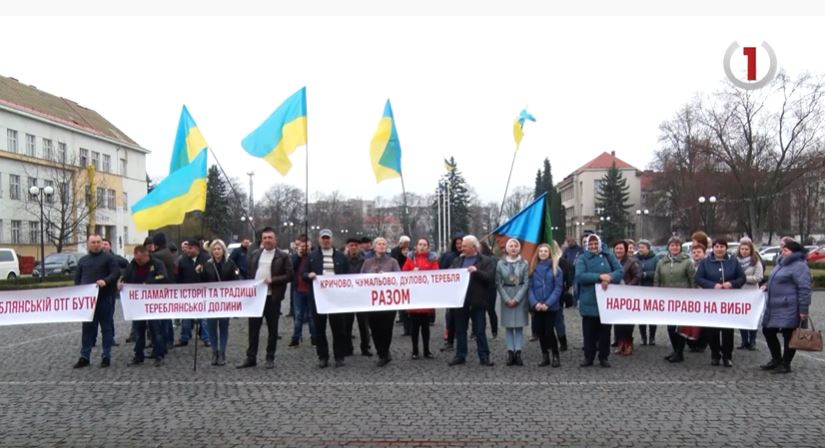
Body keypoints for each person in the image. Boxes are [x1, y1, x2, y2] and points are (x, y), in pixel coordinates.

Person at [238, 227, 294, 369]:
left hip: (272, 297)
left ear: (275, 240)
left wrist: (273, 280)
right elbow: (250, 272)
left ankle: (270, 357)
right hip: (256, 297)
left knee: (272, 329)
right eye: (265, 238)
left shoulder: (283, 256)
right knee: (253, 329)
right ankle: (251, 357)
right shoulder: (255, 254)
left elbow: (290, 275)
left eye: (270, 238)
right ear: (261, 240)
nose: (267, 240)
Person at [760, 240, 812, 374]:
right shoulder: (781, 263)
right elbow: (774, 279)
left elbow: (805, 288)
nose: (783, 251)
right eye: (783, 249)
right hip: (775, 306)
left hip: (790, 306)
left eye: (786, 250)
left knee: (789, 335)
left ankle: (786, 363)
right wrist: (766, 285)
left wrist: (803, 310)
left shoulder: (800, 266)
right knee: (768, 330)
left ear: (794, 252)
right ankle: (776, 359)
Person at [72, 234, 121, 369]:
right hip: (88, 302)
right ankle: (85, 356)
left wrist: (105, 281)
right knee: (87, 330)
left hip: (105, 298)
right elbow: (77, 279)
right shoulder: (83, 260)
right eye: (93, 242)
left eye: (98, 242)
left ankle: (106, 355)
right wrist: (77, 293)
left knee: (106, 328)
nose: (96, 245)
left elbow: (115, 273)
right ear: (88, 244)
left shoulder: (109, 259)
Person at [696, 239, 746, 367]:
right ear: (713, 248)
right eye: (717, 247)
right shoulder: (705, 262)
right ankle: (715, 355)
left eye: (722, 247)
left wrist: (732, 284)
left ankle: (727, 356)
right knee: (713, 329)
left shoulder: (733, 261)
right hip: (711, 301)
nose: (719, 249)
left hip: (728, 301)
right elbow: (699, 278)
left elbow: (742, 278)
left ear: (726, 248)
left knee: (727, 330)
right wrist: (712, 285)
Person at [575, 234, 622, 368]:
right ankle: (588, 357)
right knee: (589, 332)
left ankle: (604, 356)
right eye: (590, 244)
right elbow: (580, 276)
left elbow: (619, 270)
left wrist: (610, 278)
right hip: (589, 299)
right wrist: (600, 277)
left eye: (595, 244)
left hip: (606, 301)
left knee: (605, 332)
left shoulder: (608, 256)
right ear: (587, 245)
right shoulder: (582, 258)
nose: (593, 246)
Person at [448, 235, 496, 367]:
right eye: (461, 245)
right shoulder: (458, 260)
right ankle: (460, 355)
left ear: (473, 247)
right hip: (460, 301)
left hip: (478, 301)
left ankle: (484, 356)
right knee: (460, 330)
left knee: (480, 330)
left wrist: (477, 271)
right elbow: (449, 275)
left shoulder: (486, 261)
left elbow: (490, 278)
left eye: (464, 246)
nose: (461, 247)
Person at [306, 229, 350, 368]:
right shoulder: (312, 256)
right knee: (319, 329)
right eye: (323, 238)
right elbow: (302, 274)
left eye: (328, 238)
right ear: (319, 240)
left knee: (338, 329)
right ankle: (323, 356)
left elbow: (347, 276)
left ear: (331, 240)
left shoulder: (341, 257)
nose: (326, 240)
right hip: (318, 298)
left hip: (336, 298)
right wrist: (309, 275)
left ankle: (339, 356)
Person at [120, 245, 168, 367]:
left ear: (147, 255)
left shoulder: (157, 263)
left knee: (155, 330)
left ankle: (159, 355)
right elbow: (125, 277)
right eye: (136, 259)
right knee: (138, 330)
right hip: (138, 304)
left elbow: (163, 277)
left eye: (140, 259)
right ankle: (138, 355)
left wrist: (148, 283)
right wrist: (121, 283)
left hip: (153, 302)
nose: (138, 261)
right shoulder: (132, 265)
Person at [361, 237, 402, 367]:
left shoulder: (393, 262)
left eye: (384, 243)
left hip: (388, 301)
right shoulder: (367, 262)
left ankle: (383, 354)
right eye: (379, 244)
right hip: (372, 302)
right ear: (374, 246)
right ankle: (382, 350)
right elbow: (360, 279)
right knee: (374, 327)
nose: (382, 246)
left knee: (387, 328)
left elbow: (399, 278)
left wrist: (386, 277)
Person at [198, 239, 239, 366]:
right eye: (214, 249)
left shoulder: (231, 263)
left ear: (223, 250)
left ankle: (222, 352)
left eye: (218, 249)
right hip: (211, 301)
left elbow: (236, 280)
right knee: (211, 327)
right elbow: (202, 282)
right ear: (211, 251)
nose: (216, 251)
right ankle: (214, 351)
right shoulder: (207, 264)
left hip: (225, 301)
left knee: (223, 326)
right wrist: (200, 272)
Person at [655, 236, 696, 363]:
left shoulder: (687, 262)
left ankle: (679, 352)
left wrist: (693, 296)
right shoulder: (662, 262)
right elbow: (657, 279)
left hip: (683, 299)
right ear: (668, 247)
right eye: (672, 245)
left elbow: (692, 279)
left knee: (681, 328)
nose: (675, 247)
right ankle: (675, 350)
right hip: (667, 300)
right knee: (670, 327)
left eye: (677, 245)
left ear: (680, 247)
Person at [401, 238, 438, 359]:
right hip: (414, 299)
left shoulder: (432, 259)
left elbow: (436, 274)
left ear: (428, 247)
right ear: (416, 246)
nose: (422, 247)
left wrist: (422, 271)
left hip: (426, 298)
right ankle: (415, 350)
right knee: (414, 328)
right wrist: (412, 271)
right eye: (420, 244)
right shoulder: (410, 259)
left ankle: (427, 350)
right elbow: (403, 273)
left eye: (424, 245)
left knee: (426, 328)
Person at [528, 243, 564, 368]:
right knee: (540, 332)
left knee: (549, 331)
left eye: (545, 251)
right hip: (537, 306)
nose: (543, 253)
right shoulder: (532, 269)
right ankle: (545, 355)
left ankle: (555, 355)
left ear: (549, 253)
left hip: (551, 306)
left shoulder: (556, 269)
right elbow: (530, 288)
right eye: (541, 251)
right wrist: (535, 303)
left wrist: (548, 303)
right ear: (537, 254)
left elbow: (558, 288)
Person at [495, 239, 529, 366]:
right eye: (511, 246)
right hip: (507, 294)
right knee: (509, 327)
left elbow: (526, 283)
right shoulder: (500, 264)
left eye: (515, 246)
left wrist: (517, 298)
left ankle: (518, 352)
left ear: (519, 248)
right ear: (507, 248)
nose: (513, 248)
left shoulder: (524, 263)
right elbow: (498, 282)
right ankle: (510, 352)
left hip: (520, 294)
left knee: (519, 326)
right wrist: (506, 298)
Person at [176, 239, 210, 348]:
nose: (188, 250)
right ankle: (184, 337)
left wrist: (203, 270)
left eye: (190, 248)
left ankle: (206, 338)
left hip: (203, 293)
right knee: (186, 317)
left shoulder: (206, 259)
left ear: (197, 248)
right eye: (187, 248)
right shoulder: (183, 260)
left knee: (203, 317)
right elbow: (179, 276)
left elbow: (211, 274)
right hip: (187, 293)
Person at [343, 237, 372, 356]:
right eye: (351, 245)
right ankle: (347, 348)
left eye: (355, 245)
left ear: (359, 247)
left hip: (362, 296)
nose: (353, 247)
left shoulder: (365, 261)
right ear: (347, 247)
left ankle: (365, 347)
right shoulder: (343, 260)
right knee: (347, 324)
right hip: (348, 296)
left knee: (363, 325)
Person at [613, 240, 641, 356]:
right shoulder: (613, 261)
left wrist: (628, 287)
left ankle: (628, 343)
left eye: (621, 249)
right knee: (618, 323)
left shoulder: (631, 262)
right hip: (616, 295)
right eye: (617, 248)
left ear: (625, 250)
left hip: (629, 295)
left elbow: (638, 276)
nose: (618, 251)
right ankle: (620, 343)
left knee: (628, 323)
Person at [289, 235, 318, 348]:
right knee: (298, 315)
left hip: (310, 290)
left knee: (311, 316)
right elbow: (291, 268)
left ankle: (314, 337)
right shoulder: (295, 257)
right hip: (298, 289)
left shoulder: (313, 257)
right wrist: (298, 255)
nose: (304, 248)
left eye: (306, 246)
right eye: (302, 246)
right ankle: (296, 337)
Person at [151, 232, 177, 351]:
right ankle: (169, 340)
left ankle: (164, 342)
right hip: (170, 287)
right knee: (167, 316)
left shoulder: (157, 256)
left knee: (162, 318)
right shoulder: (169, 253)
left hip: (160, 288)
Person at [737, 237, 764, 351]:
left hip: (752, 293)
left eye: (746, 249)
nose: (744, 251)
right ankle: (744, 341)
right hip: (739, 293)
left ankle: (752, 341)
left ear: (750, 250)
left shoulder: (756, 261)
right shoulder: (735, 261)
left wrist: (744, 278)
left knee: (752, 318)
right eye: (742, 249)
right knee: (741, 318)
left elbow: (759, 277)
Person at [439, 235, 465, 352]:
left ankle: (461, 341)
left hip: (465, 291)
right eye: (457, 243)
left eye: (461, 243)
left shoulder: (468, 257)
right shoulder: (448, 256)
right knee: (450, 316)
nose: (459, 245)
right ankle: (449, 340)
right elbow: (441, 271)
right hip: (452, 291)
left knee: (463, 317)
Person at [101, 238, 127, 346]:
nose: (103, 246)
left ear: (110, 246)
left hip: (110, 291)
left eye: (105, 244)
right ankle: (92, 340)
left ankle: (110, 338)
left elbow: (127, 266)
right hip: (96, 292)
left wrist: (121, 277)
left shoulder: (116, 258)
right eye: (102, 244)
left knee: (108, 316)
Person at [634, 239, 659, 346]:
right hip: (639, 290)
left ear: (648, 248)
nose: (640, 249)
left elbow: (658, 273)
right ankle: (643, 337)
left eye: (642, 247)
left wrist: (645, 274)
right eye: (639, 247)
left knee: (653, 315)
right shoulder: (635, 259)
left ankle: (652, 337)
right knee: (641, 316)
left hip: (651, 289)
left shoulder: (655, 259)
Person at [391, 235, 412, 337]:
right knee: (402, 306)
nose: (406, 245)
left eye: (407, 243)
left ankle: (410, 328)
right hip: (399, 279)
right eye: (405, 243)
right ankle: (406, 327)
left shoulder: (411, 251)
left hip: (409, 280)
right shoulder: (395, 251)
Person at [481, 242, 499, 340]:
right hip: (490, 288)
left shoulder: (492, 259)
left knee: (487, 311)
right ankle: (494, 331)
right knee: (490, 310)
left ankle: (491, 331)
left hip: (488, 287)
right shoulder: (494, 258)